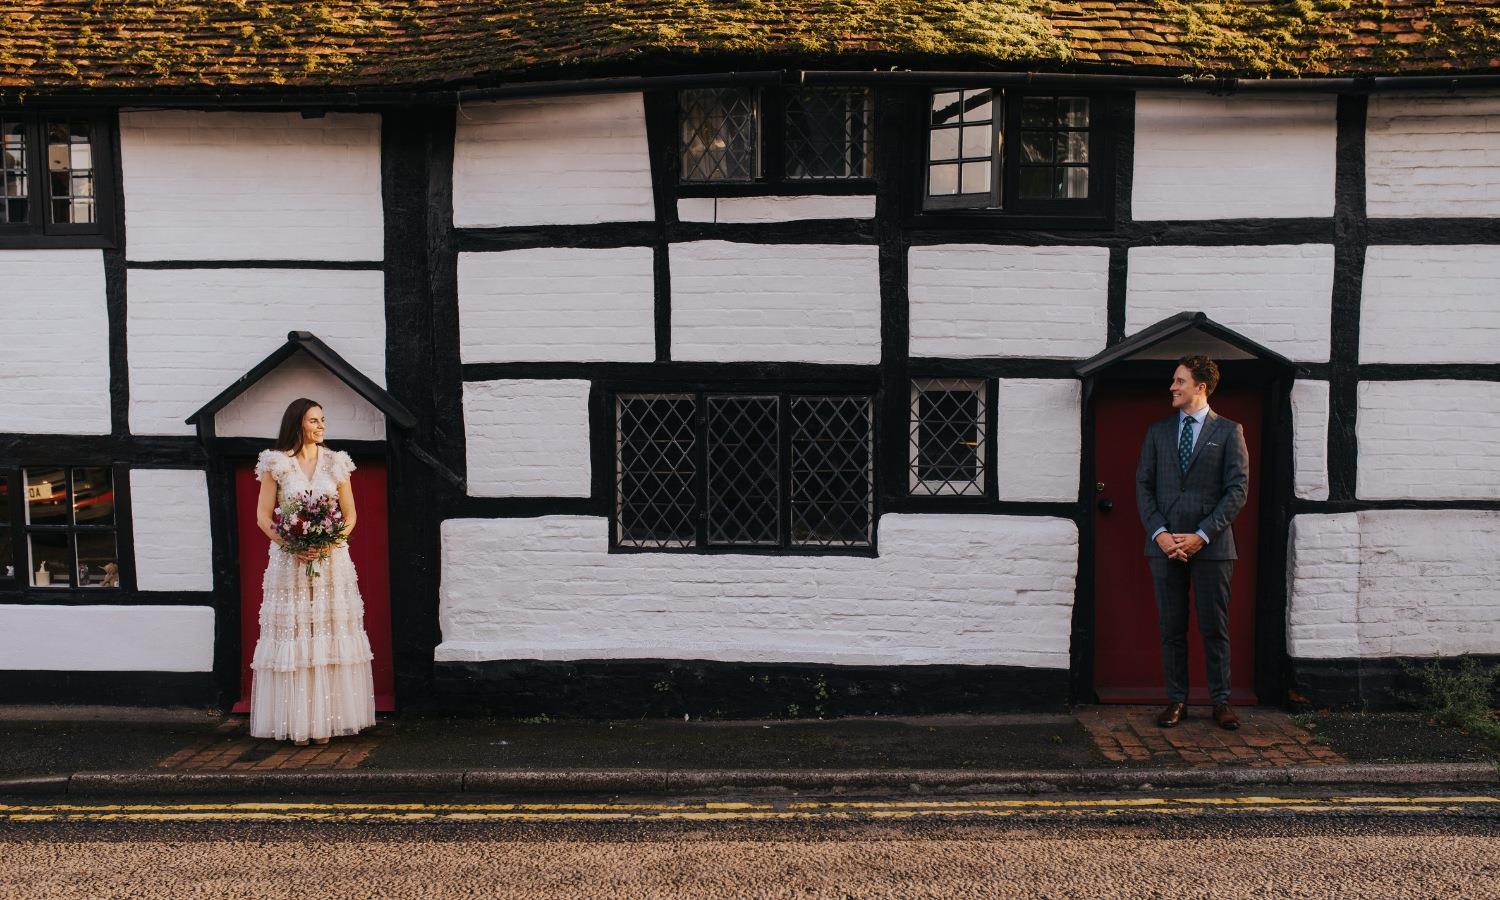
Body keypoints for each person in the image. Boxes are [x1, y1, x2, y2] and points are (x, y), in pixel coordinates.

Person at [250, 398, 376, 745]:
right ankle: (297, 724)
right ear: (297, 424)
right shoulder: (276, 464)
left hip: (330, 561)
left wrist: (328, 542)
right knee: (294, 633)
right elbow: (263, 516)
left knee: (325, 632)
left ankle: (327, 723)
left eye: (323, 420)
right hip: (289, 563)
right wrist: (293, 544)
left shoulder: (337, 463)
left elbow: (350, 516)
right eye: (314, 420)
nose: (321, 426)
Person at [1134, 356, 1249, 731]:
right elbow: (1143, 486)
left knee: (1214, 627)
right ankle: (1177, 700)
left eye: (1179, 381)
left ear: (1200, 386)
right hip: (1164, 546)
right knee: (1172, 628)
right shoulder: (1157, 431)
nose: (1172, 387)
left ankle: (1220, 702)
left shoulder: (1230, 432)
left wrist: (1201, 535)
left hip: (1212, 548)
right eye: (1173, 380)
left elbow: (1237, 491)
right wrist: (1161, 534)